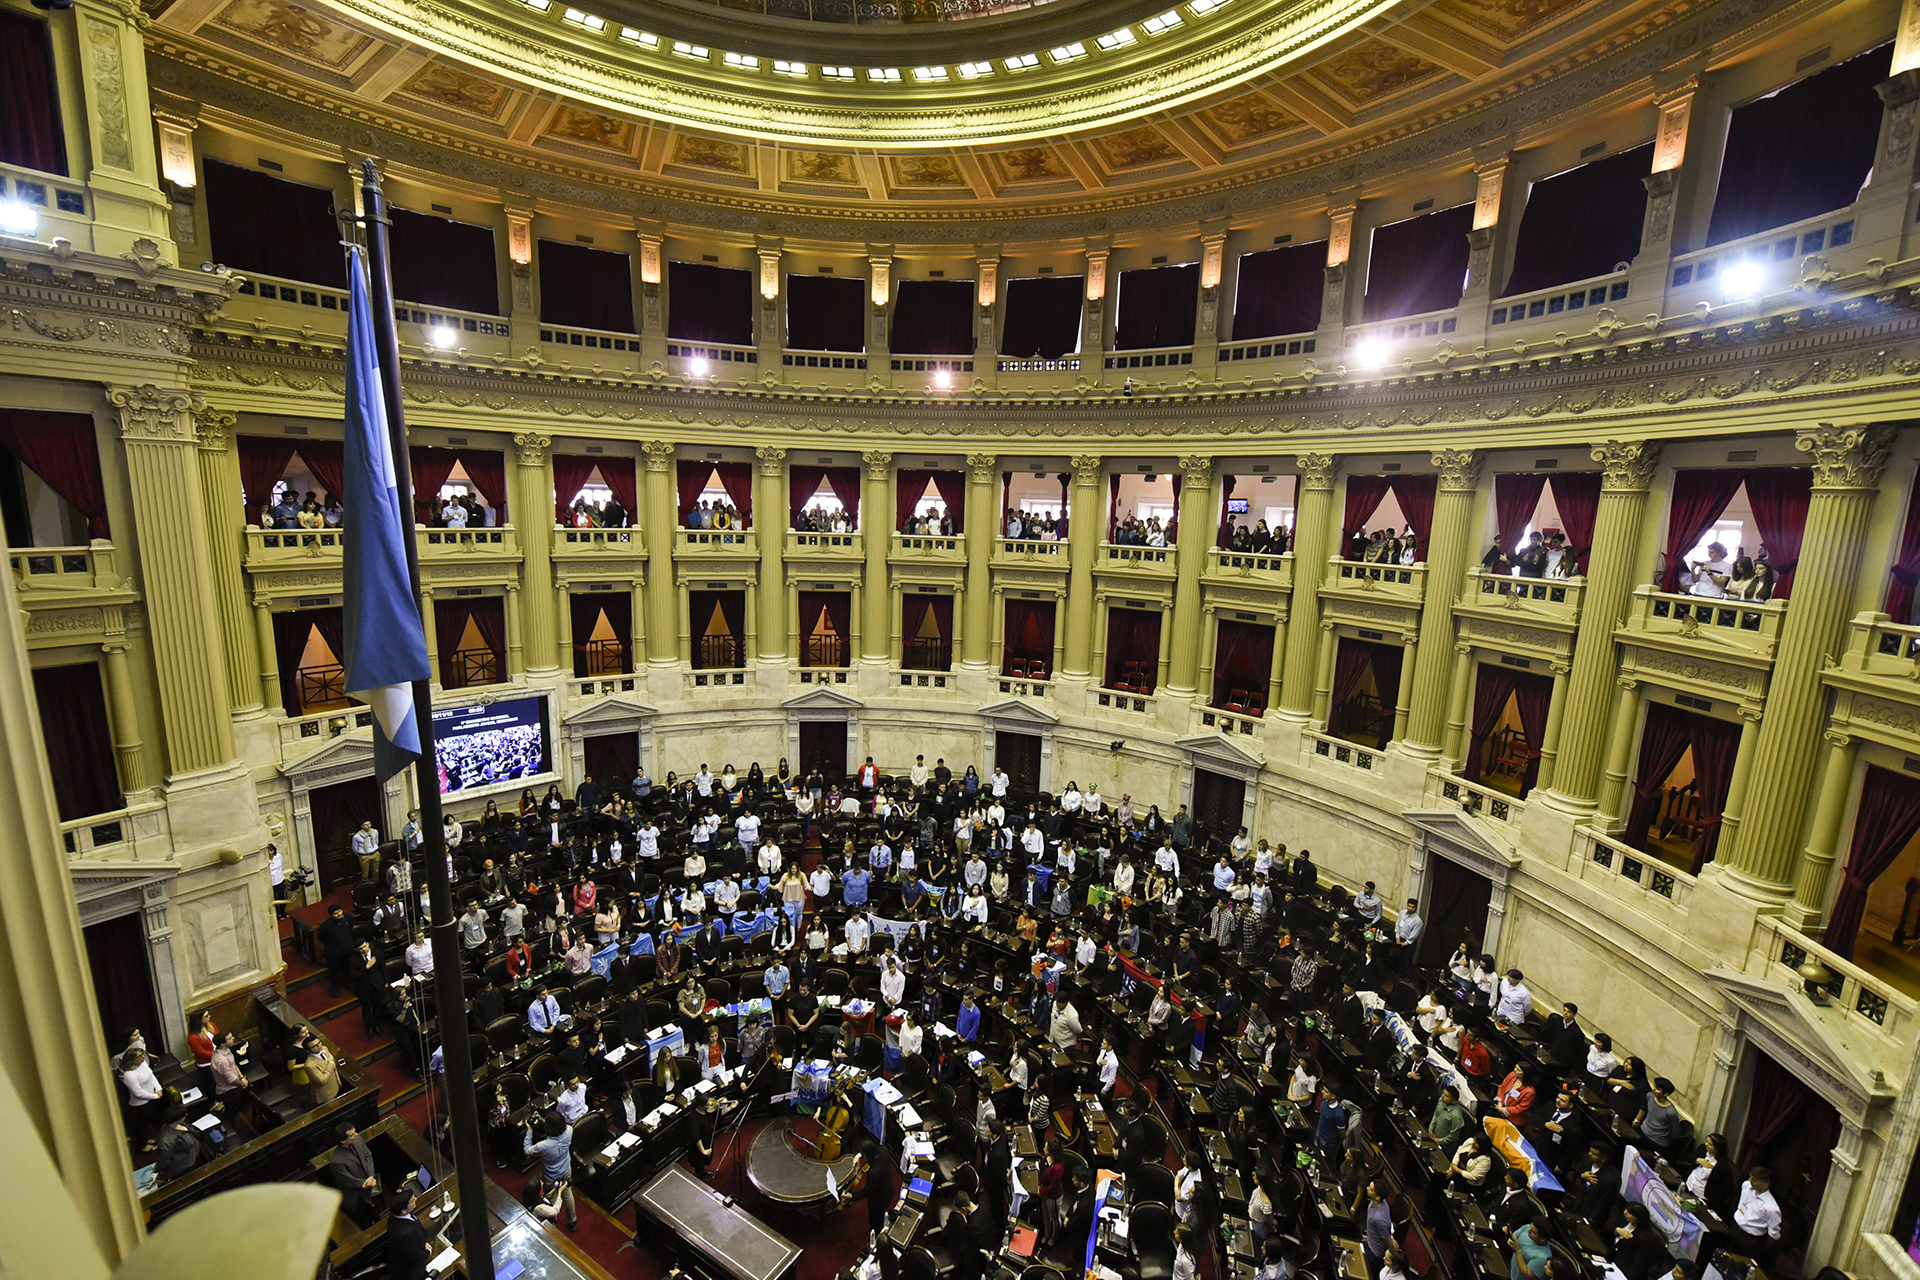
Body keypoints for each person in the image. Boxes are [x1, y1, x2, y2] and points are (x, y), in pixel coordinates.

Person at [523, 1115, 579, 1231]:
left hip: (550, 1177)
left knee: (551, 1202)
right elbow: (561, 1127)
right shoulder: (569, 1131)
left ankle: (553, 1226)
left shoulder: (542, 1146)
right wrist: (544, 1121)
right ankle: (572, 1220)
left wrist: (529, 1131)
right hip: (566, 1170)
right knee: (568, 1194)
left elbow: (527, 1151)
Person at [329, 1124, 382, 1228]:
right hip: (353, 1191)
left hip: (368, 1180)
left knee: (372, 1210)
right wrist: (363, 1184)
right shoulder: (336, 1161)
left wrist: (371, 1176)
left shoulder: (358, 1140)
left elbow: (368, 1155)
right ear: (343, 1141)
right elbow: (347, 1180)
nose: (356, 1135)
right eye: (352, 1134)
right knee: (359, 1217)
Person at [1731, 1167, 1782, 1261]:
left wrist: (1759, 1247)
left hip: (1750, 1239)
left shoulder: (1771, 1207)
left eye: (1754, 1180)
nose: (1750, 1181)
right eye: (1750, 1177)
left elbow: (1774, 1235)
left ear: (1765, 1184)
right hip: (1734, 1227)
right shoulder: (1746, 1185)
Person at [317, 903, 355, 998]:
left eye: (339, 911)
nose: (339, 914)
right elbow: (321, 937)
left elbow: (351, 928)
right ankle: (335, 988)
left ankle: (348, 983)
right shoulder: (325, 926)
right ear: (331, 915)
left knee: (347, 968)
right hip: (334, 952)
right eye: (335, 913)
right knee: (334, 971)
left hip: (347, 949)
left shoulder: (348, 918)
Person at [1635, 1076, 1680, 1151]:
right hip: (1643, 1132)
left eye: (1657, 1089)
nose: (1653, 1089)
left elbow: (1675, 1133)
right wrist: (1637, 1120)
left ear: (1665, 1094)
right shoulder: (1650, 1096)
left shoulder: (1671, 1112)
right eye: (1654, 1086)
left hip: (1657, 1142)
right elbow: (1644, 1108)